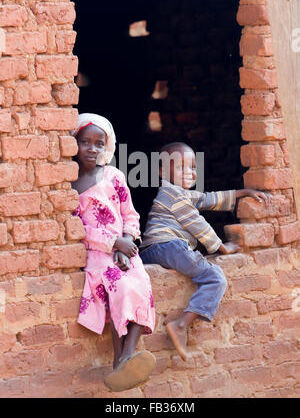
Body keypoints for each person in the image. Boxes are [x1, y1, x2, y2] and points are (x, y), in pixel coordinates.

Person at [140, 142, 270, 361]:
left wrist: (243, 192)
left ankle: (181, 324)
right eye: (180, 167)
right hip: (167, 246)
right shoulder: (173, 195)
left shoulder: (181, 194)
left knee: (202, 266)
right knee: (215, 277)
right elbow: (197, 223)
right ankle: (181, 324)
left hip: (156, 250)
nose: (189, 172)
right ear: (161, 171)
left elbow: (209, 198)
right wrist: (222, 247)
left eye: (192, 167)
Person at [71, 113, 156, 392]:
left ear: (107, 146)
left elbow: (130, 214)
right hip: (97, 252)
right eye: (85, 142)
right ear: (73, 143)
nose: (92, 149)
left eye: (98, 143)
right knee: (117, 287)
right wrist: (113, 244)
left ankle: (124, 357)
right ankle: (123, 360)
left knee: (140, 283)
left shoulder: (114, 176)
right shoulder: (69, 185)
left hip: (126, 247)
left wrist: (127, 240)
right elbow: (79, 229)